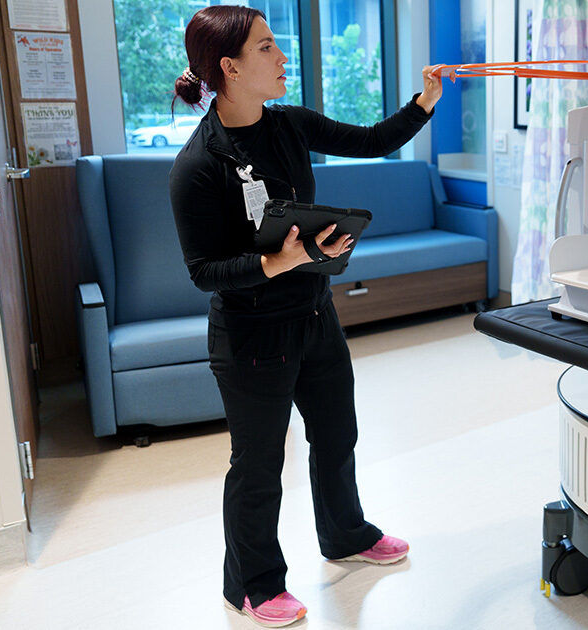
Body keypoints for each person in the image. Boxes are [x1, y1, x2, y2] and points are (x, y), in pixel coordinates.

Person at [168, 5, 442, 627]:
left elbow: (371, 140)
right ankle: (253, 583)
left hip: (314, 314)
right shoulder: (199, 163)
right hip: (251, 335)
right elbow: (204, 271)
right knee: (259, 464)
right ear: (231, 68)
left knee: (336, 435)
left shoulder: (288, 124)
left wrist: (423, 102)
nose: (282, 57)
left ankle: (346, 534)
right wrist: (276, 263)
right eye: (267, 48)